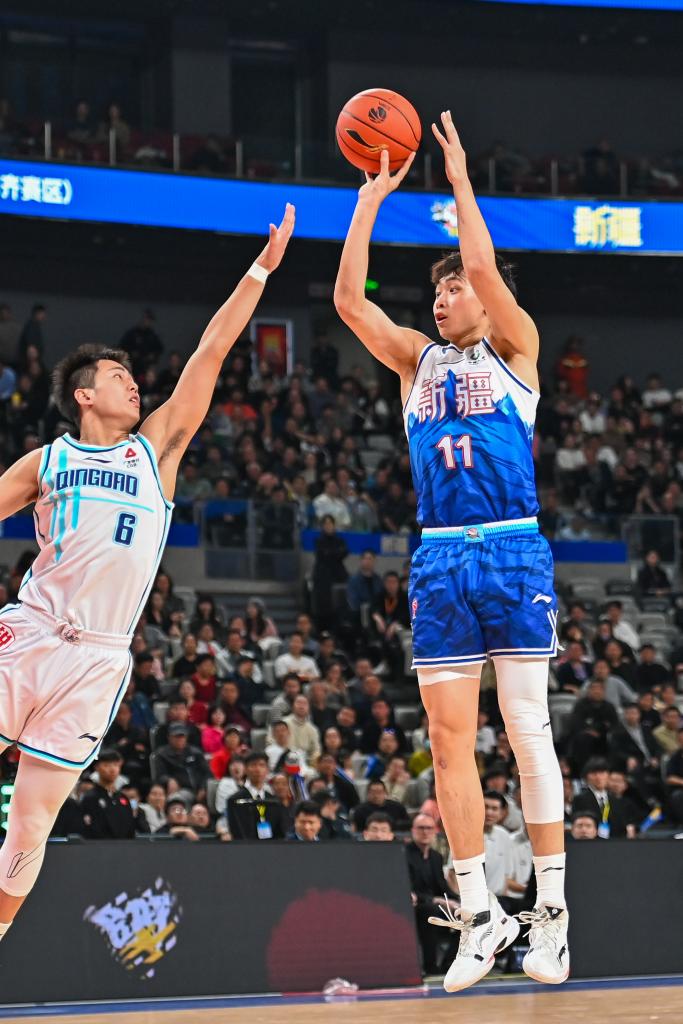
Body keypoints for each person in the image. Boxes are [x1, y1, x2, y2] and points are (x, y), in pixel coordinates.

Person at [0, 205, 294, 942]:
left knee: (31, 821)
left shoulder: (154, 449)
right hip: (32, 632)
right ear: (83, 394)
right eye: (118, 376)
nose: (133, 384)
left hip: (99, 659)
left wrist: (260, 270)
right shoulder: (48, 461)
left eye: (133, 376)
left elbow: (211, 351)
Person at [334, 113, 567, 991]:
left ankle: (550, 915)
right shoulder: (414, 363)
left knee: (526, 727)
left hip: (510, 549)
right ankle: (478, 915)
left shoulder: (517, 348)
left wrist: (461, 181)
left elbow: (480, 263)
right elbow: (349, 304)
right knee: (445, 740)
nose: (442, 299)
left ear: (485, 296)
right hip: (438, 558)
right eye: (435, 292)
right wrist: (368, 203)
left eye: (455, 289)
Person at [405, 813, 458, 976]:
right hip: (415, 906)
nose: (425, 832)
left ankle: (450, 964)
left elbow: (442, 887)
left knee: (467, 913)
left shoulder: (436, 857)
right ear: (413, 830)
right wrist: (435, 900)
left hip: (436, 904)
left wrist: (457, 901)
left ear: (435, 831)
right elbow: (407, 889)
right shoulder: (404, 853)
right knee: (430, 911)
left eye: (429, 828)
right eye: (421, 828)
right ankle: (430, 966)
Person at [80, 750, 136, 839]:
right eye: (107, 765)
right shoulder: (90, 798)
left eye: (116, 765)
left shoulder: (123, 798)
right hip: (99, 846)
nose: (112, 769)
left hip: (125, 846)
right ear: (97, 767)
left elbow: (130, 829)